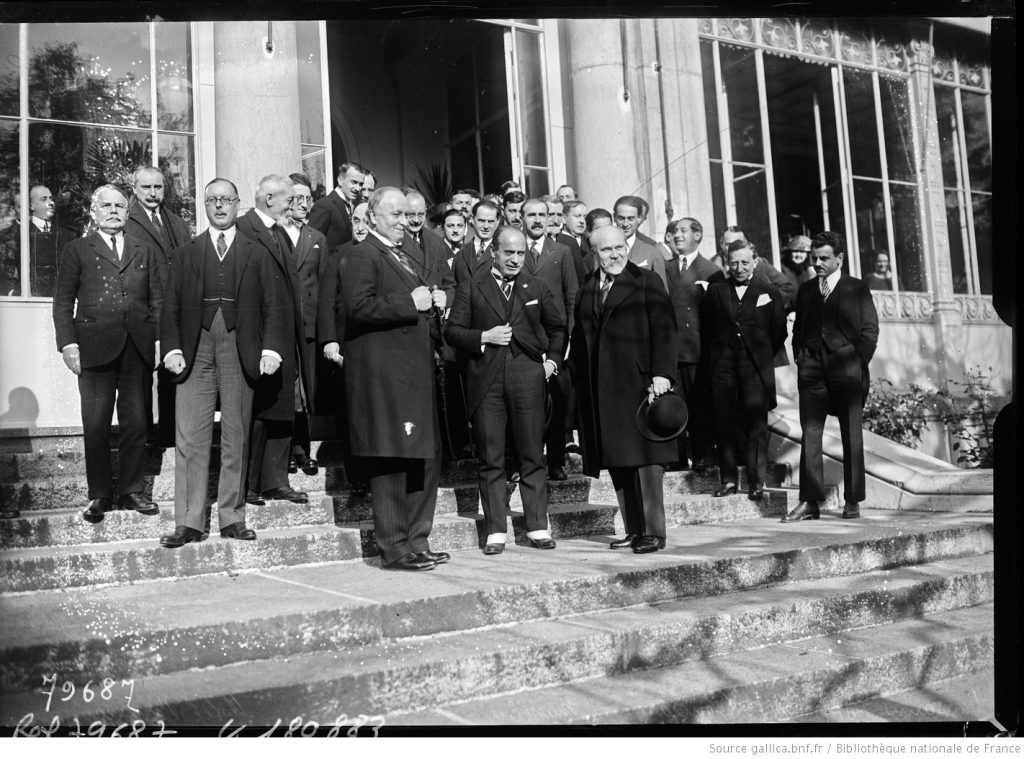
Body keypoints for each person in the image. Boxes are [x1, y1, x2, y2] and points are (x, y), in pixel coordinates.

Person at [159, 178, 285, 547]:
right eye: (212, 200)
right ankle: (189, 523)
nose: (219, 206)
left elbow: (274, 306)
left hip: (239, 346)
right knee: (191, 437)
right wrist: (172, 349)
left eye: (226, 200)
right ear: (204, 204)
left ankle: (232, 517)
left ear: (237, 204)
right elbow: (169, 306)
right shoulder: (186, 252)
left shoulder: (256, 252)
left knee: (237, 435)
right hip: (194, 348)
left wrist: (271, 351)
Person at [341, 186, 448, 571]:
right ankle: (394, 548)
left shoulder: (400, 255)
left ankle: (418, 541)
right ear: (372, 217)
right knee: (392, 459)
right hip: (386, 380)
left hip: (414, 376)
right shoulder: (361, 254)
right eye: (395, 215)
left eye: (406, 214)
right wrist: (410, 303)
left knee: (424, 458)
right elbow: (357, 307)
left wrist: (432, 301)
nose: (405, 221)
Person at [445, 226, 566, 554]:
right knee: (491, 455)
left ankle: (538, 527)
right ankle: (495, 531)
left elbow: (558, 328)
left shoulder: (537, 286)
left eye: (520, 253)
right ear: (493, 252)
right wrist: (484, 336)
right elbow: (453, 331)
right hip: (487, 380)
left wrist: (551, 363)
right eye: (508, 252)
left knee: (531, 454)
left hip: (528, 376)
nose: (515, 259)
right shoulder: (472, 287)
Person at [52, 185, 163, 525]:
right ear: (94, 211)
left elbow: (157, 301)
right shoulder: (77, 249)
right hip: (93, 350)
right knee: (96, 424)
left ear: (128, 213)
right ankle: (99, 494)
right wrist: (68, 344)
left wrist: (159, 342)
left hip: (137, 349)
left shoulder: (144, 250)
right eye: (106, 206)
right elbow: (62, 303)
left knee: (136, 423)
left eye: (119, 206)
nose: (113, 211)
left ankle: (131, 490)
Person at [570, 225, 677, 554]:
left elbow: (665, 330)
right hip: (603, 390)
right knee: (618, 460)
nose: (615, 255)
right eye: (606, 250)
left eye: (619, 248)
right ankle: (633, 530)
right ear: (594, 253)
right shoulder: (588, 287)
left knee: (647, 461)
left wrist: (662, 373)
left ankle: (654, 532)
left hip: (640, 385)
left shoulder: (646, 281)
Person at [786, 231, 879, 522]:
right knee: (810, 434)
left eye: (824, 258)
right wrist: (801, 357)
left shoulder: (857, 288)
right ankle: (809, 502)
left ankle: (852, 500)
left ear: (840, 258)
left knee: (851, 433)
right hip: (812, 369)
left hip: (846, 371)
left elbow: (870, 331)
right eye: (815, 258)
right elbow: (798, 328)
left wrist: (856, 360)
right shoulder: (806, 289)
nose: (818, 263)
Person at [236, 174, 313, 505]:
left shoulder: (280, 232)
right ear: (269, 198)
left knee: (283, 410)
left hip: (285, 334)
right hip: (259, 335)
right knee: (258, 413)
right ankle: (250, 484)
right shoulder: (242, 227)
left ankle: (275, 481)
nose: (292, 205)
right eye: (288, 199)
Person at [701, 240, 787, 500]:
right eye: (734, 262)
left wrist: (758, 355)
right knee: (724, 423)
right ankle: (728, 480)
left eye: (744, 262)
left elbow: (778, 331)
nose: (738, 268)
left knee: (756, 427)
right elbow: (707, 330)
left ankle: (756, 482)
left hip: (754, 368)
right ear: (727, 262)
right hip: (723, 368)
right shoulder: (716, 291)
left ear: (755, 262)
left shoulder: (769, 291)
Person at [124, 166, 193, 447]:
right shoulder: (127, 221)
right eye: (146, 188)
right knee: (141, 374)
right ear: (134, 189)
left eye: (158, 187)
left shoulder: (176, 222)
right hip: (143, 307)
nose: (153, 194)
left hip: (175, 308)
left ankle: (169, 434)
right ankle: (143, 437)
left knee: (172, 371)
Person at [522, 197, 578, 481]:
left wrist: (567, 337)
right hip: (522, 338)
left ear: (549, 219)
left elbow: (571, 296)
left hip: (553, 338)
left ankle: (556, 461)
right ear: (522, 218)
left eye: (541, 215)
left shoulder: (562, 251)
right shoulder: (516, 249)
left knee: (556, 402)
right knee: (525, 404)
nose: (536, 220)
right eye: (530, 214)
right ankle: (525, 462)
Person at [664, 217, 725, 471]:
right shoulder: (663, 267)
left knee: (699, 405)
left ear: (697, 236)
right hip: (669, 349)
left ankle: (702, 454)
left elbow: (718, 316)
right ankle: (675, 457)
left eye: (683, 231)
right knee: (672, 405)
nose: (677, 235)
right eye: (675, 231)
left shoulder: (711, 270)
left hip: (697, 350)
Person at [283, 172, 328, 475]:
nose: (301, 203)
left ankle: (304, 450)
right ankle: (283, 451)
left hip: (309, 325)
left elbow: (324, 287)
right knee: (286, 389)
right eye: (295, 198)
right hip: (283, 323)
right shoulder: (275, 234)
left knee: (307, 389)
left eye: (306, 198)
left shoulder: (317, 238)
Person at [26, 184, 75, 298]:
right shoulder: (21, 234)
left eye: (51, 198)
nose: (51, 202)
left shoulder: (68, 236)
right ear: (31, 205)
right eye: (44, 199)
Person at [307, 161, 366, 249]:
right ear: (340, 180)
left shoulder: (351, 205)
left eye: (360, 184)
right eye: (354, 182)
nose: (357, 188)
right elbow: (311, 244)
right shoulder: (324, 205)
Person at [613, 195, 667, 288]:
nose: (625, 224)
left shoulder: (653, 252)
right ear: (614, 217)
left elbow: (662, 295)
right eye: (621, 218)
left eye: (630, 218)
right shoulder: (602, 250)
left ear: (639, 218)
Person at [453, 199, 501, 283]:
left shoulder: (503, 252)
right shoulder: (460, 254)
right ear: (472, 219)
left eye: (490, 222)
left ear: (497, 222)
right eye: (481, 221)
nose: (486, 226)